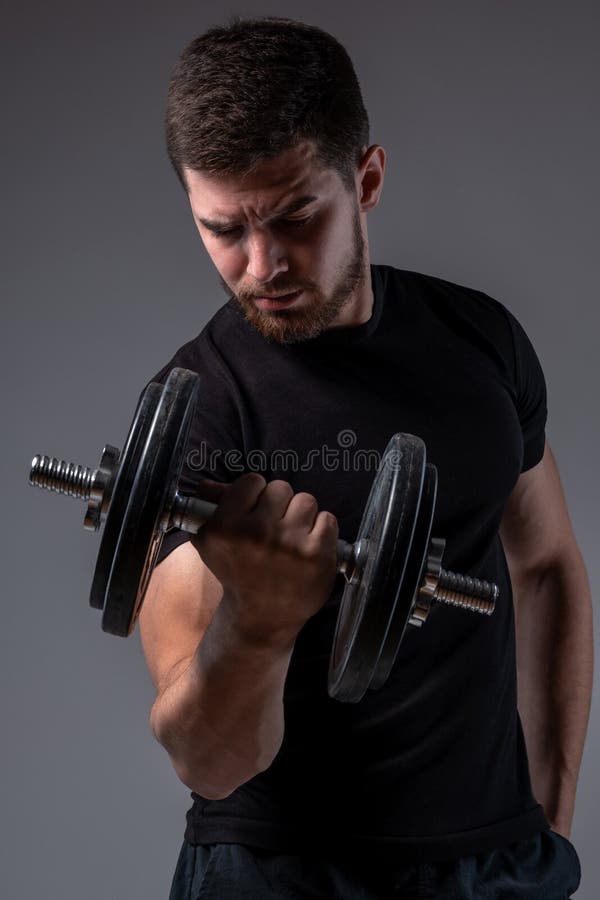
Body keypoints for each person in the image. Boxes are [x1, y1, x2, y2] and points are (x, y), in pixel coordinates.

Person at [139, 17, 592, 899]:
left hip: (495, 868)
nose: (261, 264)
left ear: (367, 179)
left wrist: (549, 816)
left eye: (296, 216)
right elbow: (207, 760)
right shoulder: (204, 404)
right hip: (279, 874)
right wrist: (260, 625)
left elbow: (543, 566)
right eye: (223, 229)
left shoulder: (482, 342)